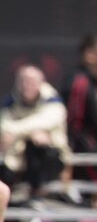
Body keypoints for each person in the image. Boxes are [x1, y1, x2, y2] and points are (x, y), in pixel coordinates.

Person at [1, 66, 69, 198]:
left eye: (32, 82)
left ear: (41, 82)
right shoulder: (9, 103)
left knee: (37, 141)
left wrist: (18, 132)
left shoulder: (52, 100)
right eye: (24, 81)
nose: (27, 85)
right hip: (15, 164)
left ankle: (37, 195)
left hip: (51, 162)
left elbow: (48, 120)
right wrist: (28, 132)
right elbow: (4, 126)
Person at [62, 34, 97, 165]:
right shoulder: (80, 83)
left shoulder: (92, 83)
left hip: (95, 156)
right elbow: (73, 127)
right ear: (90, 55)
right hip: (84, 161)